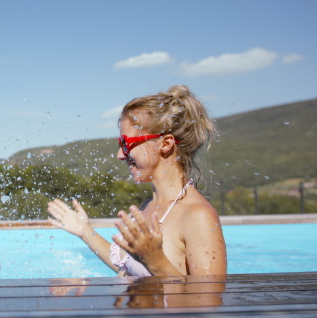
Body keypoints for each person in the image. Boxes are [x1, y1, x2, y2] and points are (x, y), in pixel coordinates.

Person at [47, 85, 226, 277]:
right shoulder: (149, 206)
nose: (119, 155)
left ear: (165, 144)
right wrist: (85, 231)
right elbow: (129, 268)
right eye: (120, 144)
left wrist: (155, 260)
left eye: (126, 144)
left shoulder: (198, 216)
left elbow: (208, 300)